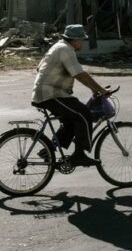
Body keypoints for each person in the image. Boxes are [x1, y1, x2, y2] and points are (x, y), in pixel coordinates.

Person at [32, 24, 109, 166]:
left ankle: (48, 150)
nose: (83, 43)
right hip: (51, 94)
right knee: (84, 113)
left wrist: (94, 89)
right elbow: (80, 74)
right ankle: (79, 155)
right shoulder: (66, 50)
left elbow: (39, 67)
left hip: (49, 93)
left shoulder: (58, 46)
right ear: (75, 39)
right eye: (82, 40)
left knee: (72, 121)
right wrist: (100, 89)